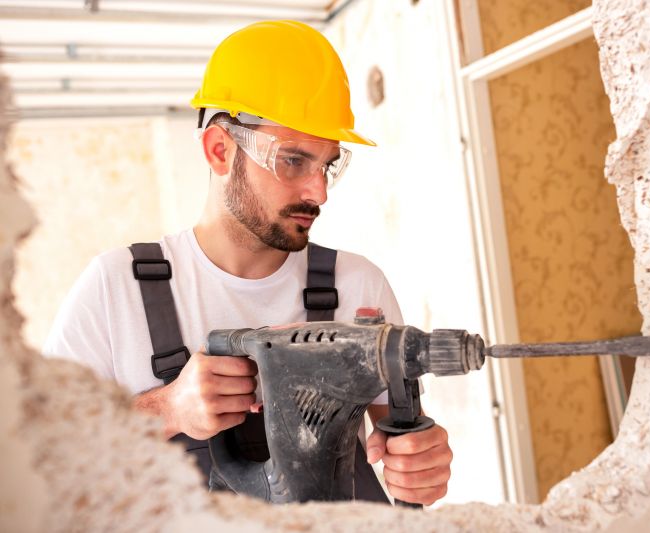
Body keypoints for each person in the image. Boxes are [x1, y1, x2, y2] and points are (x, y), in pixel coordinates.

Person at [43, 20, 452, 506]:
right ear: (220, 150)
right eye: (294, 161)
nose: (317, 191)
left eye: (327, 165)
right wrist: (168, 410)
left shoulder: (357, 285)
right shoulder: (116, 290)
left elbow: (404, 445)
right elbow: (38, 456)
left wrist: (422, 466)